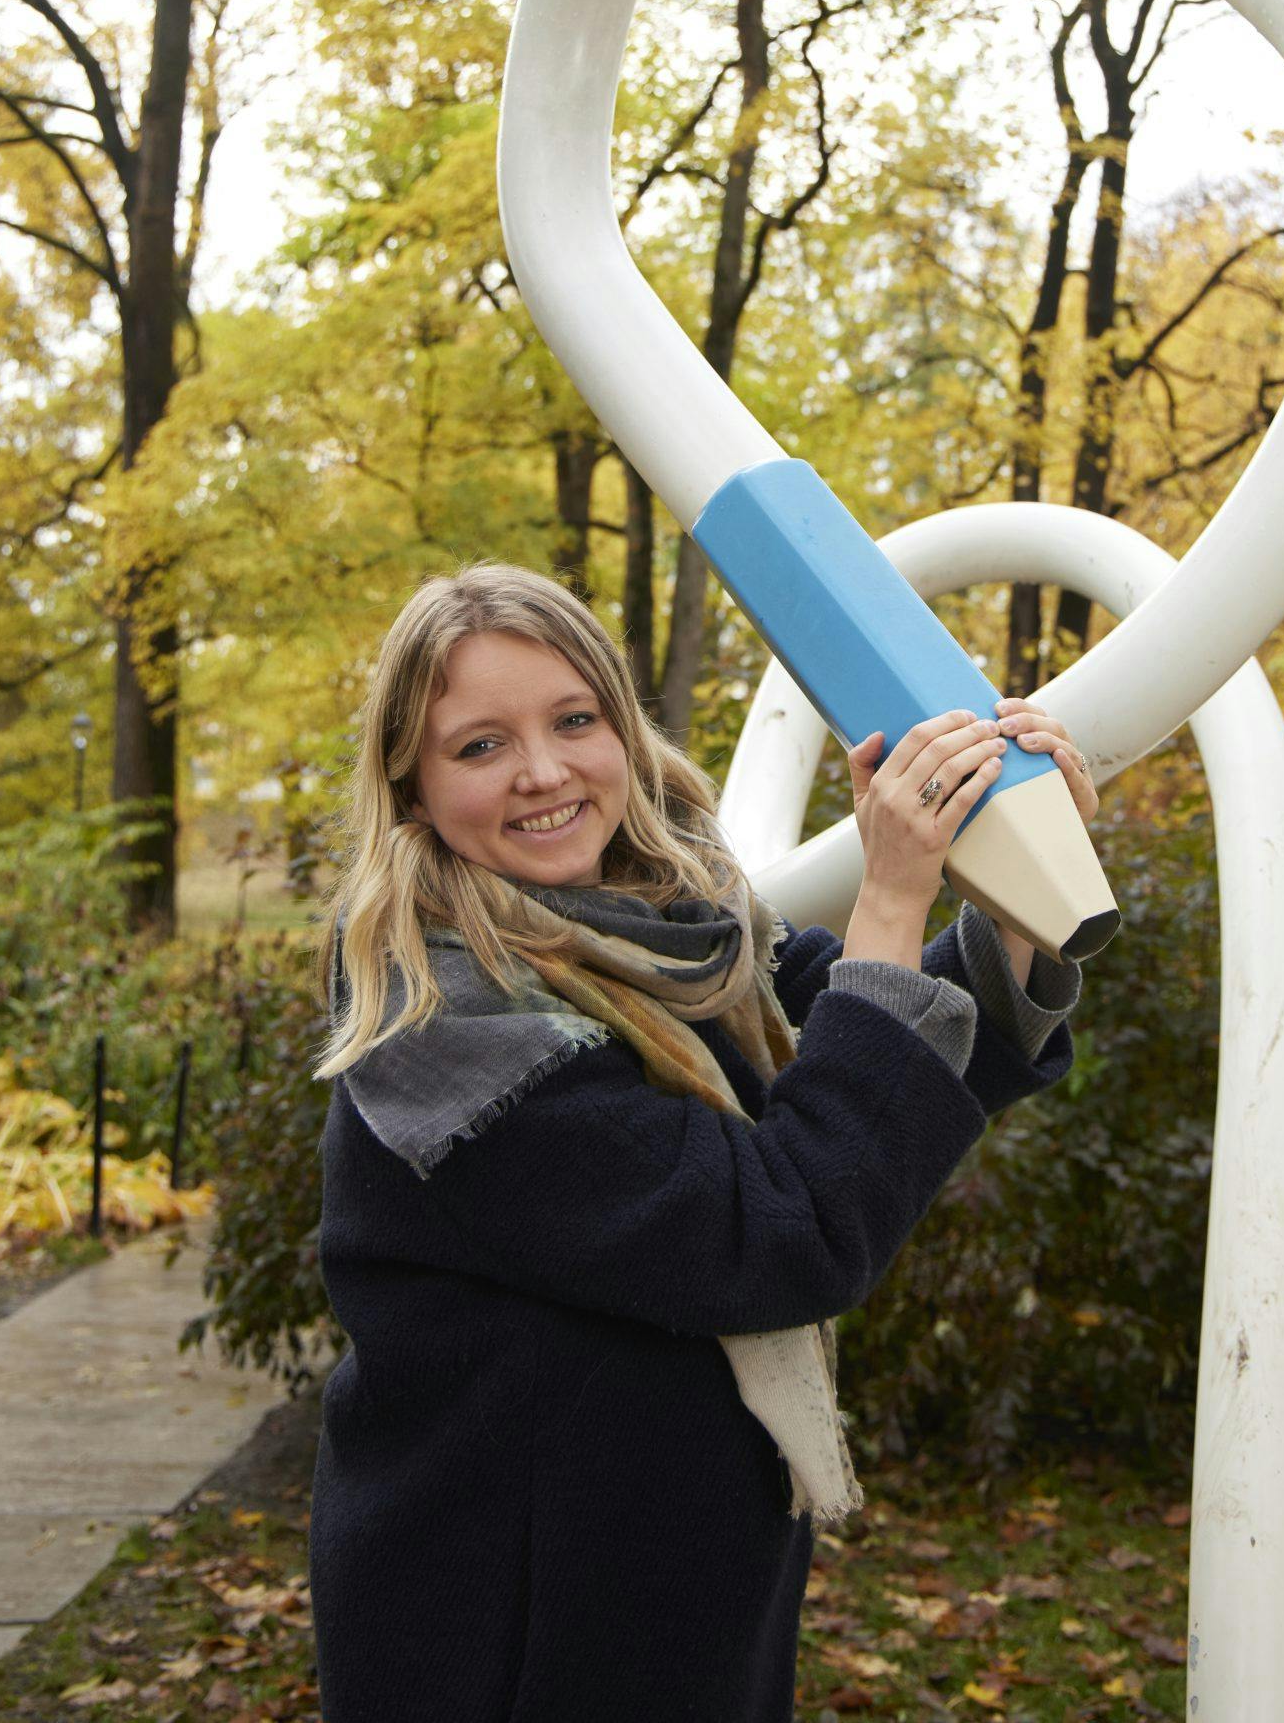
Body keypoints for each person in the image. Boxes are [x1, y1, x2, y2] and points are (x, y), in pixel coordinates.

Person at [308, 560, 1101, 1723]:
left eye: (575, 719)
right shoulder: (453, 1027)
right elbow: (784, 1230)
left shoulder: (681, 929)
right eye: (479, 745)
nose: (543, 771)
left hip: (673, 1575)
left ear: (622, 732)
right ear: (413, 789)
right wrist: (889, 894)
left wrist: (1024, 878)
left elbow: (885, 1058)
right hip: (511, 1621)